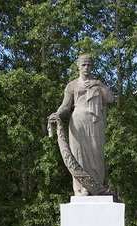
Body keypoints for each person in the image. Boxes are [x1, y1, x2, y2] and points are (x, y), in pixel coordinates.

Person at [47, 54, 115, 196]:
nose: (86, 68)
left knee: (97, 154)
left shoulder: (97, 83)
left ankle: (97, 187)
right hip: (78, 122)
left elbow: (110, 99)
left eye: (89, 65)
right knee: (79, 155)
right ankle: (83, 188)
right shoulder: (71, 85)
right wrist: (57, 114)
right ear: (78, 66)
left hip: (95, 122)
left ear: (92, 66)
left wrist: (99, 84)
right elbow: (65, 106)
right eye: (84, 65)